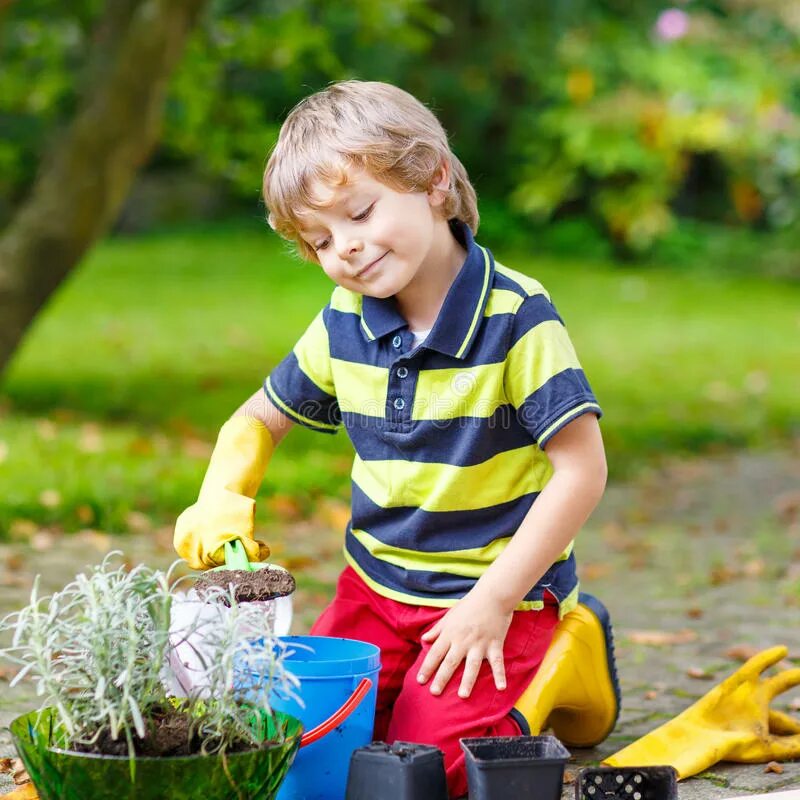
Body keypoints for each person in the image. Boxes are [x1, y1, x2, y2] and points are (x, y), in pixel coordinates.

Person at [175, 80, 611, 798]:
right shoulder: (346, 316)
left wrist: (495, 600)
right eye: (320, 240)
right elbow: (260, 416)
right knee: (308, 741)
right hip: (376, 588)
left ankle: (562, 659)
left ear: (434, 180)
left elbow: (581, 472)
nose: (345, 247)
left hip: (493, 594)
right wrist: (224, 491)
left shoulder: (517, 317)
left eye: (361, 212)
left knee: (420, 773)